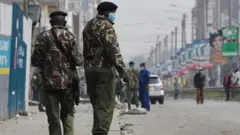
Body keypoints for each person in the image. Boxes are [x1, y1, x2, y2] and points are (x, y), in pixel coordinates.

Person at [31, 11, 82, 135]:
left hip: (49, 84)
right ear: (64, 23)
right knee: (68, 114)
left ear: (50, 22)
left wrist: (47, 62)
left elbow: (35, 60)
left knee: (53, 118)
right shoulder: (70, 37)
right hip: (68, 84)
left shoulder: (43, 36)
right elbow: (79, 61)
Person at [82, 2, 129, 135]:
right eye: (113, 13)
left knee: (96, 103)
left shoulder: (88, 25)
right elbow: (113, 50)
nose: (114, 16)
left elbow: (85, 49)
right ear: (107, 12)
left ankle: (97, 130)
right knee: (105, 104)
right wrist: (123, 72)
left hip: (90, 70)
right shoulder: (107, 26)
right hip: (104, 70)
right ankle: (100, 132)